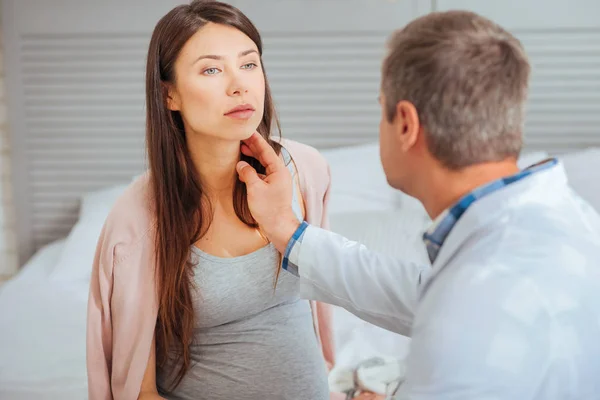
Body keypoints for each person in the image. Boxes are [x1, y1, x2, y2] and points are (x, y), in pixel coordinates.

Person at [236, 10, 600, 400]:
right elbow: (422, 293)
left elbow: (456, 312)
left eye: (382, 109)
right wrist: (290, 232)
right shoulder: (561, 221)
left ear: (406, 124)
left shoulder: (480, 298)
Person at [85, 1, 338, 399]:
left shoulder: (305, 169)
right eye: (211, 69)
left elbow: (322, 310)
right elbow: (138, 390)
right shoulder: (140, 218)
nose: (239, 85)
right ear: (170, 95)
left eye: (249, 64)